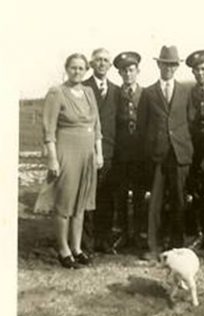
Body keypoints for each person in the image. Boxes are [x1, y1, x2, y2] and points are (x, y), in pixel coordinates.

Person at [34, 53, 103, 268]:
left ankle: (77, 247)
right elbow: (49, 129)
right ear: (66, 68)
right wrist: (53, 159)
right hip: (66, 152)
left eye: (81, 68)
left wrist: (98, 152)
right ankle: (63, 249)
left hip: (87, 154)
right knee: (65, 202)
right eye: (73, 67)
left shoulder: (90, 92)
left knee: (81, 203)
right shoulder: (57, 93)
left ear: (86, 70)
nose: (77, 71)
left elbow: (97, 126)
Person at [138, 45, 194, 260]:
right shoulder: (148, 93)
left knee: (179, 201)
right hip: (157, 155)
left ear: (177, 66)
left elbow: (190, 121)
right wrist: (149, 153)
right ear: (158, 65)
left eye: (173, 65)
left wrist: (186, 147)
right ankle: (154, 246)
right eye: (165, 64)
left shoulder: (184, 92)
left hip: (179, 154)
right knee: (155, 202)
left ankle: (177, 247)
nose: (169, 68)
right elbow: (143, 127)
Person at [82, 48, 120, 252]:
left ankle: (104, 240)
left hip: (110, 151)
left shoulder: (116, 90)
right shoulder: (84, 87)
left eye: (106, 60)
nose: (102, 63)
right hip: (87, 150)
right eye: (98, 60)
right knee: (88, 197)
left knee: (107, 197)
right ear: (91, 63)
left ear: (110, 64)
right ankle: (86, 243)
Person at [112, 51, 146, 248]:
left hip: (140, 154)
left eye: (131, 70)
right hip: (121, 153)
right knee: (122, 195)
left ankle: (139, 234)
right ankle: (124, 233)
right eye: (124, 71)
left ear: (137, 71)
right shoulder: (116, 95)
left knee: (140, 195)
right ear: (120, 74)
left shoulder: (146, 94)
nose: (128, 74)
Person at [185, 50, 204, 249]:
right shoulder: (191, 94)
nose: (200, 73)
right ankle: (197, 233)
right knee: (195, 191)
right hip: (194, 148)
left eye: (203, 69)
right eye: (196, 70)